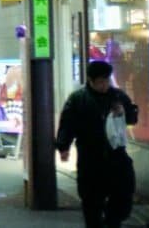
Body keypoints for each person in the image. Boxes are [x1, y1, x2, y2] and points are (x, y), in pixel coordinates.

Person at [56, 60, 139, 228]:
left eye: (107, 80)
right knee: (91, 203)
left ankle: (112, 220)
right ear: (90, 81)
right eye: (100, 82)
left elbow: (132, 118)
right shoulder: (78, 99)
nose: (104, 85)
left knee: (122, 197)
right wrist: (63, 146)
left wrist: (124, 112)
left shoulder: (118, 96)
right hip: (90, 157)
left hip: (116, 155)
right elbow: (67, 124)